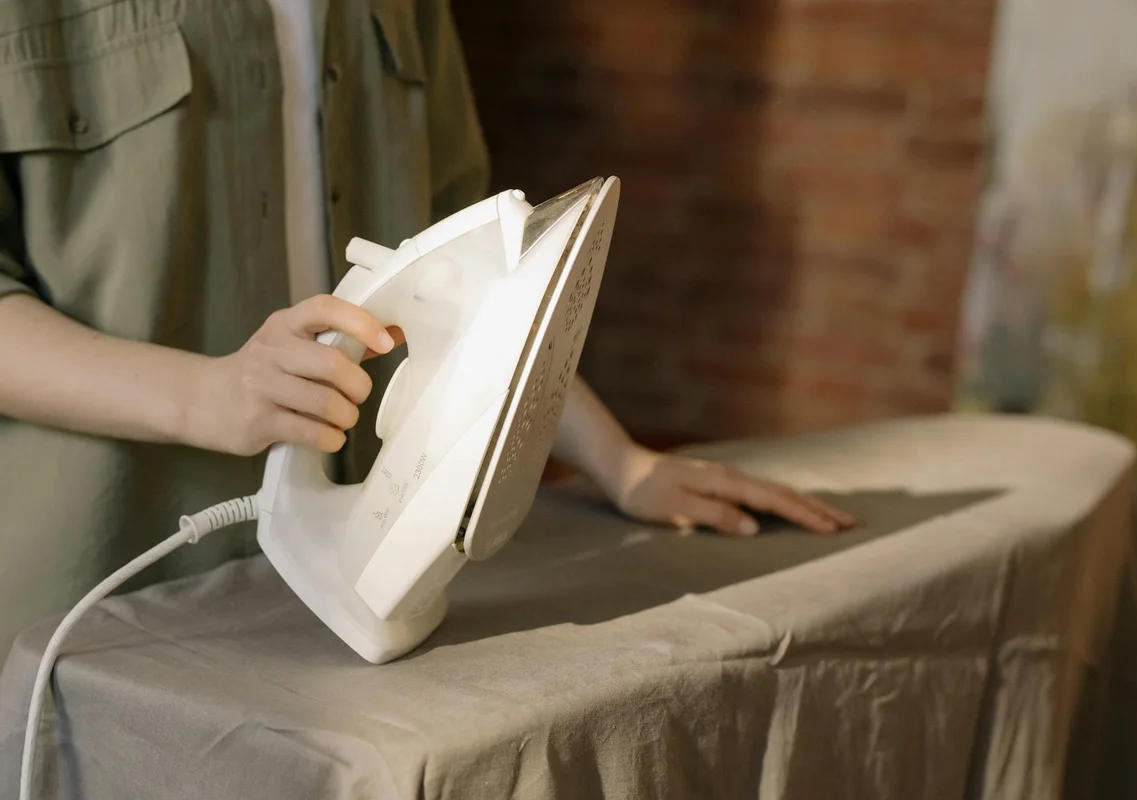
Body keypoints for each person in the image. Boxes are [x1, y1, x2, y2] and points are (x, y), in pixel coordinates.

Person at [0, 0, 854, 657]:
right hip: (98, 590)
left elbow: (465, 260)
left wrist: (618, 463)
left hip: (342, 595)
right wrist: (207, 397)